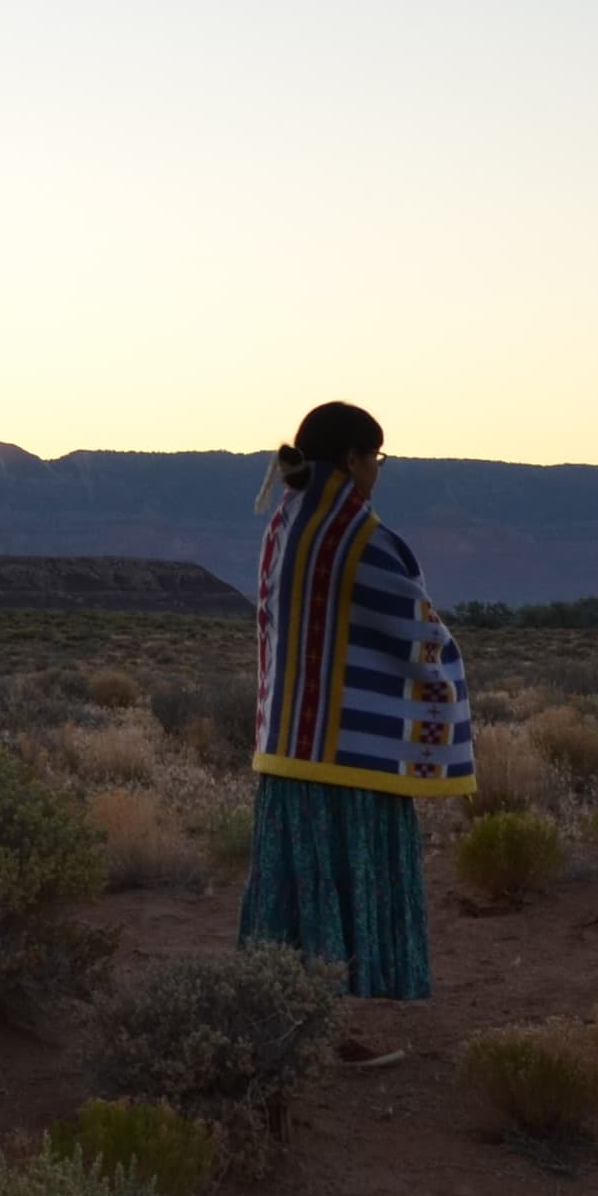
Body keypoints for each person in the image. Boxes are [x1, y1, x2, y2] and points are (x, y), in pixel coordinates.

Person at [238, 400, 477, 1022]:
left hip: (287, 745)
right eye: (376, 458)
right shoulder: (358, 538)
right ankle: (348, 1001)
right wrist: (446, 675)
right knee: (353, 876)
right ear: (352, 459)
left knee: (297, 885)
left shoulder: (285, 527)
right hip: (350, 758)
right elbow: (416, 631)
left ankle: (287, 1006)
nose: (378, 470)